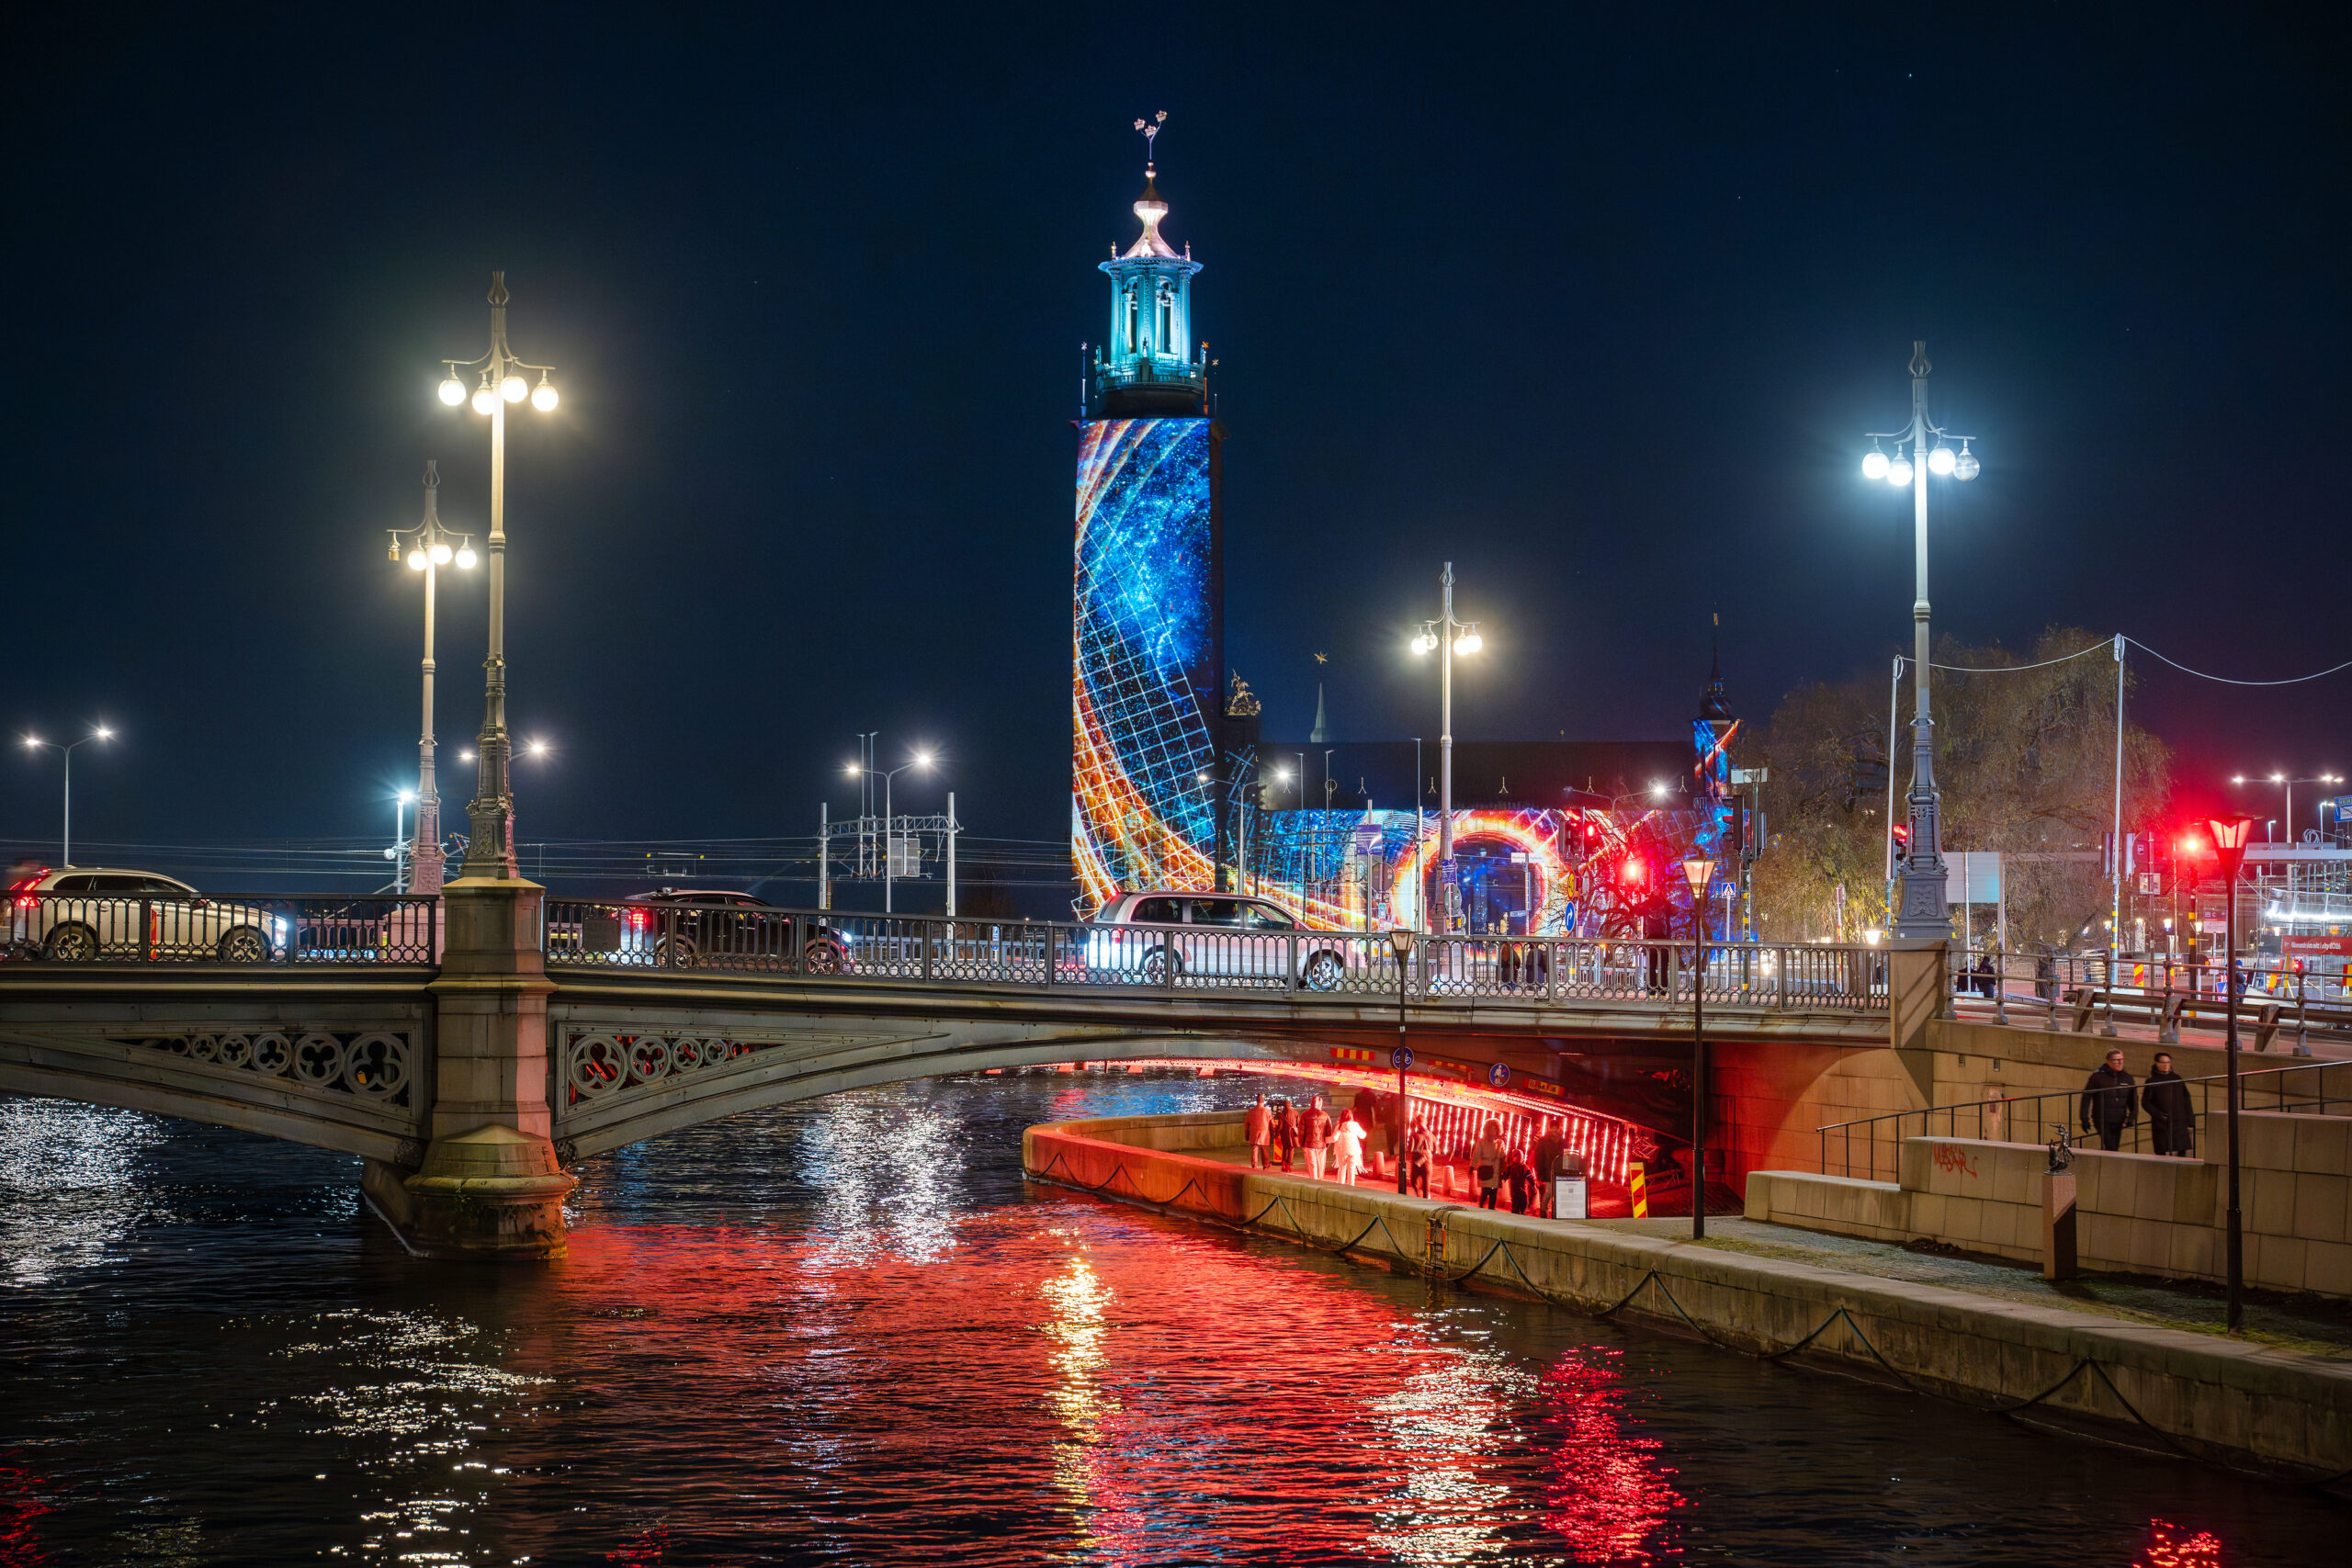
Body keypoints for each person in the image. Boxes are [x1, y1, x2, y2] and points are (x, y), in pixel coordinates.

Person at [2079, 1048, 2138, 1152]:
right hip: (2102, 1118)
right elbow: (2086, 1097)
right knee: (2111, 1146)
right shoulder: (2098, 1077)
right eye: (2117, 1060)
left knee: (2114, 1147)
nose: (2120, 1062)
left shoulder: (2127, 1078)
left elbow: (2133, 1100)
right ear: (2109, 1062)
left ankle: (2110, 1166)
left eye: (2122, 1059)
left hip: (2119, 1118)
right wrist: (2084, 1118)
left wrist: (2131, 1118)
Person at [2143, 1051, 2197, 1158]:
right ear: (2157, 1063)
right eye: (2163, 1062)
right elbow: (2146, 1102)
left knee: (2182, 1148)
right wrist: (2158, 1114)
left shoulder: (2177, 1078)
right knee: (2162, 1149)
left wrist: (2190, 1118)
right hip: (2162, 1122)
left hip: (2179, 1120)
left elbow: (2186, 1097)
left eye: (2168, 1062)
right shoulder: (2152, 1081)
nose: (2166, 1065)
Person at [1532, 1121, 1566, 1217]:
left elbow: (1566, 1156)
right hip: (1547, 1172)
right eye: (1552, 1127)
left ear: (1559, 1128)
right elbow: (1538, 1157)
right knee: (1549, 1193)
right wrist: (1539, 1173)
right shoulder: (1543, 1141)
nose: (1554, 1130)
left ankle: (1554, 1214)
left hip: (1559, 1172)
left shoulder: (1563, 1142)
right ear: (1549, 1128)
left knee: (1557, 1194)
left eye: (1556, 1127)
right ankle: (1543, 1212)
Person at [1471, 1120, 1506, 1210]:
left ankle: (1491, 1211)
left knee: (1493, 1194)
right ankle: (1481, 1208)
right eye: (1491, 1128)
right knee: (1485, 1192)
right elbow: (1476, 1154)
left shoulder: (1500, 1143)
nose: (1493, 1130)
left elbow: (1503, 1157)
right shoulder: (1482, 1141)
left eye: (1495, 1128)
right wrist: (1472, 1167)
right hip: (1486, 1170)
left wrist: (1504, 1169)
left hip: (1496, 1171)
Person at [1301, 1096, 1335, 1179]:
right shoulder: (1325, 1115)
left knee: (1312, 1166)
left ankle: (1313, 1184)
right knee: (1320, 1166)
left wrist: (1302, 1145)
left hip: (1308, 1145)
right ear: (1320, 1104)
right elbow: (1329, 1132)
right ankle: (1320, 1183)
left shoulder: (1305, 1115)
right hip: (1322, 1145)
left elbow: (1301, 1133)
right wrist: (1326, 1145)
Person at [1330, 1112, 1368, 1186]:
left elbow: (1334, 1138)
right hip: (1353, 1150)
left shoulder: (1339, 1126)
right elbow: (1363, 1135)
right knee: (1351, 1170)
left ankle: (1341, 1187)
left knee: (1342, 1169)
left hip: (1341, 1150)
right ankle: (1351, 1187)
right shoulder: (1355, 1125)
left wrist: (1325, 1139)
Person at [1403, 1115, 1433, 1198]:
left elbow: (1410, 1149)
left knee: (1413, 1181)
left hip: (1417, 1163)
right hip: (1427, 1163)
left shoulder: (1413, 1135)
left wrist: (1418, 1151)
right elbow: (1431, 1149)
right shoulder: (1429, 1135)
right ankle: (1425, 1203)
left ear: (1417, 1123)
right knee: (1426, 1188)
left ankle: (1418, 1196)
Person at [1244, 1095, 1272, 1170]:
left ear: (1257, 1101)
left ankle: (1254, 1165)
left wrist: (1246, 1134)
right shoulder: (1267, 1111)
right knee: (1264, 1148)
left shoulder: (1251, 1111)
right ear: (1263, 1101)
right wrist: (1275, 1131)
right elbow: (1272, 1123)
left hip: (1254, 1132)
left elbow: (1246, 1124)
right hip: (1264, 1133)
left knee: (1255, 1148)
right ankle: (1265, 1166)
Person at [1504, 1143, 1534, 1214]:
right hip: (1519, 1191)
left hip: (1517, 1191)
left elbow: (1505, 1176)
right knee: (1519, 1207)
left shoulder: (1516, 1167)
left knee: (1517, 1207)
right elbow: (1530, 1177)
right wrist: (1533, 1184)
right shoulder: (1522, 1167)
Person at [1272, 1098, 1297, 1172]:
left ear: (1284, 1106)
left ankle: (1283, 1164)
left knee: (1285, 1149)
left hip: (1284, 1134)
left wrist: (1277, 1133)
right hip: (1292, 1133)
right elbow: (1297, 1124)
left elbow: (1280, 1126)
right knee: (1291, 1149)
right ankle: (1288, 1165)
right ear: (1290, 1105)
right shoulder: (1295, 1113)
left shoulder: (1281, 1114)